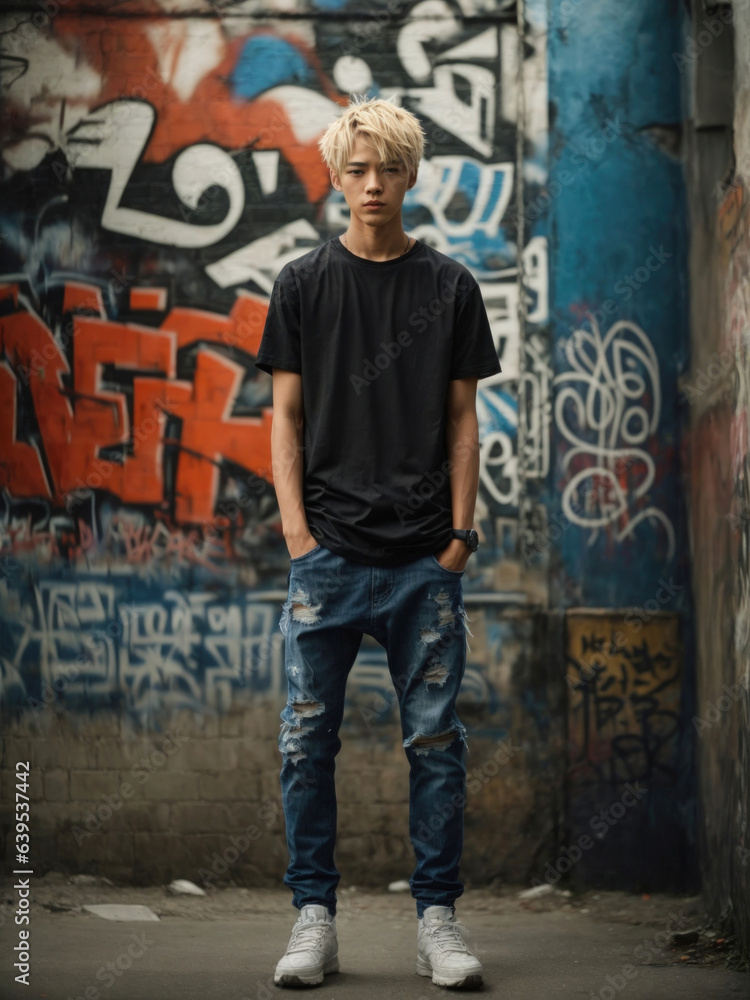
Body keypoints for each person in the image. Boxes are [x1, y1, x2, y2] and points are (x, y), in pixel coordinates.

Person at [254, 94, 501, 990]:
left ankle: (438, 917)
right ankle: (312, 919)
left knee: (435, 745)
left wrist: (460, 540)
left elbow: (464, 421)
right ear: (335, 176)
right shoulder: (302, 284)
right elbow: (284, 419)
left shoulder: (450, 288)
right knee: (303, 744)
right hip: (327, 562)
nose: (371, 184)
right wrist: (298, 537)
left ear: (409, 175)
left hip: (422, 563)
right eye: (355, 169)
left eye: (387, 169)